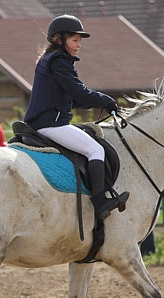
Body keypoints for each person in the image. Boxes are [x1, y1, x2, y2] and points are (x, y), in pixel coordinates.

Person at [23, 14, 129, 220]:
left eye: (80, 41)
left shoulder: (52, 60)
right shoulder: (59, 61)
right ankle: (100, 202)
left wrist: (99, 102)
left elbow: (73, 99)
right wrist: (106, 100)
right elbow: (79, 92)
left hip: (45, 122)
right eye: (75, 40)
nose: (79, 45)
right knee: (95, 149)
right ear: (60, 40)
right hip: (50, 125)